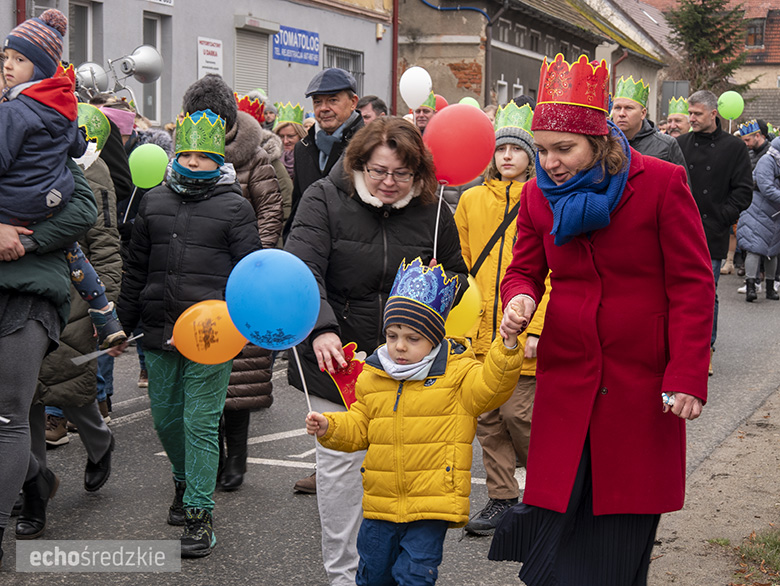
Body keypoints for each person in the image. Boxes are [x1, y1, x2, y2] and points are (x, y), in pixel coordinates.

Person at [487, 53, 715, 585]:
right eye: (540, 150)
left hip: (639, 385)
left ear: (600, 139)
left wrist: (686, 374)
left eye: (563, 149)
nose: (549, 163)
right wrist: (518, 299)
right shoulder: (539, 195)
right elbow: (522, 269)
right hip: (568, 380)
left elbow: (692, 284)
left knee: (618, 539)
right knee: (557, 536)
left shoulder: (660, 183)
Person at [284, 117, 469, 585]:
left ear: (418, 173)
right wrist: (321, 328)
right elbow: (304, 270)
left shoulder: (432, 210)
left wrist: (438, 291)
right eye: (378, 171)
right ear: (359, 164)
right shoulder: (323, 198)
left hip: (408, 366)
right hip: (339, 359)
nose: (388, 183)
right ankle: (344, 577)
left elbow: (458, 274)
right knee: (342, 476)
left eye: (401, 174)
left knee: (401, 478)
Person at [305, 258, 523, 585]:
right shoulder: (374, 376)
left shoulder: (459, 375)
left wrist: (505, 347)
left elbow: (492, 386)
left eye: (413, 338)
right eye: (392, 335)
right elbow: (361, 427)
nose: (400, 346)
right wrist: (329, 427)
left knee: (414, 576)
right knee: (373, 575)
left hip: (431, 505)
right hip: (381, 505)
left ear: (434, 339)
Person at [116, 110, 262, 558]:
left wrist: (239, 324)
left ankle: (200, 515)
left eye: (204, 155)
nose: (194, 162)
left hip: (211, 339)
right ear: (176, 153)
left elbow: (248, 273)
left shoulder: (235, 206)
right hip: (159, 330)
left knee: (200, 423)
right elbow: (136, 268)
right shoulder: (153, 201)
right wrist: (121, 324)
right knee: (166, 420)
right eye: (188, 153)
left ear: (218, 157)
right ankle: (182, 482)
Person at [181, 75, 284, 492]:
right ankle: (212, 453)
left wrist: (248, 264)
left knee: (240, 374)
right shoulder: (186, 155)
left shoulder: (255, 160)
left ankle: (237, 455)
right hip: (196, 276)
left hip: (241, 278)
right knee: (200, 369)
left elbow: (271, 211)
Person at [1, 9, 125, 351]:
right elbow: (77, 145)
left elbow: (87, 212)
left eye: (18, 59)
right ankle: (104, 311)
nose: (8, 66)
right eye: (5, 58)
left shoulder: (12, 112)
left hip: (16, 212)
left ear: (38, 68)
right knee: (73, 252)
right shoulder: (61, 108)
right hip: (50, 202)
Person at [455, 100, 549, 536]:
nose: (507, 156)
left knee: (519, 416)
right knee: (488, 418)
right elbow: (462, 262)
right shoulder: (471, 199)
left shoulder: (545, 196)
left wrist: (537, 328)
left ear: (532, 155)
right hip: (479, 332)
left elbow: (548, 272)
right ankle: (501, 498)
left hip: (520, 328)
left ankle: (547, 488)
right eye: (500, 149)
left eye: (516, 149)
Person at [676, 90, 752, 376]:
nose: (691, 118)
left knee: (707, 293)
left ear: (713, 114)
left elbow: (744, 191)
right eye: (690, 113)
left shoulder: (734, 148)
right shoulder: (680, 144)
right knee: (675, 292)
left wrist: (722, 217)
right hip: (680, 229)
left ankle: (705, 349)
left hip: (711, 232)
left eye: (696, 114)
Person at [286, 68, 364, 237]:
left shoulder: (367, 145)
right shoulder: (303, 147)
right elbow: (298, 206)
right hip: (310, 246)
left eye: (333, 100)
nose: (323, 108)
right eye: (317, 102)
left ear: (353, 102)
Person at [736, 135, 780, 302]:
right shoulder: (767, 161)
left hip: (774, 213)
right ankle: (751, 286)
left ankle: (770, 287)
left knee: (772, 251)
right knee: (754, 249)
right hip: (758, 210)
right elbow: (766, 187)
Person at [611, 76, 686, 166]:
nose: (621, 113)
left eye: (629, 108)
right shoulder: (604, 142)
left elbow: (680, 179)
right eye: (617, 108)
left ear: (643, 113)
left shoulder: (666, 145)